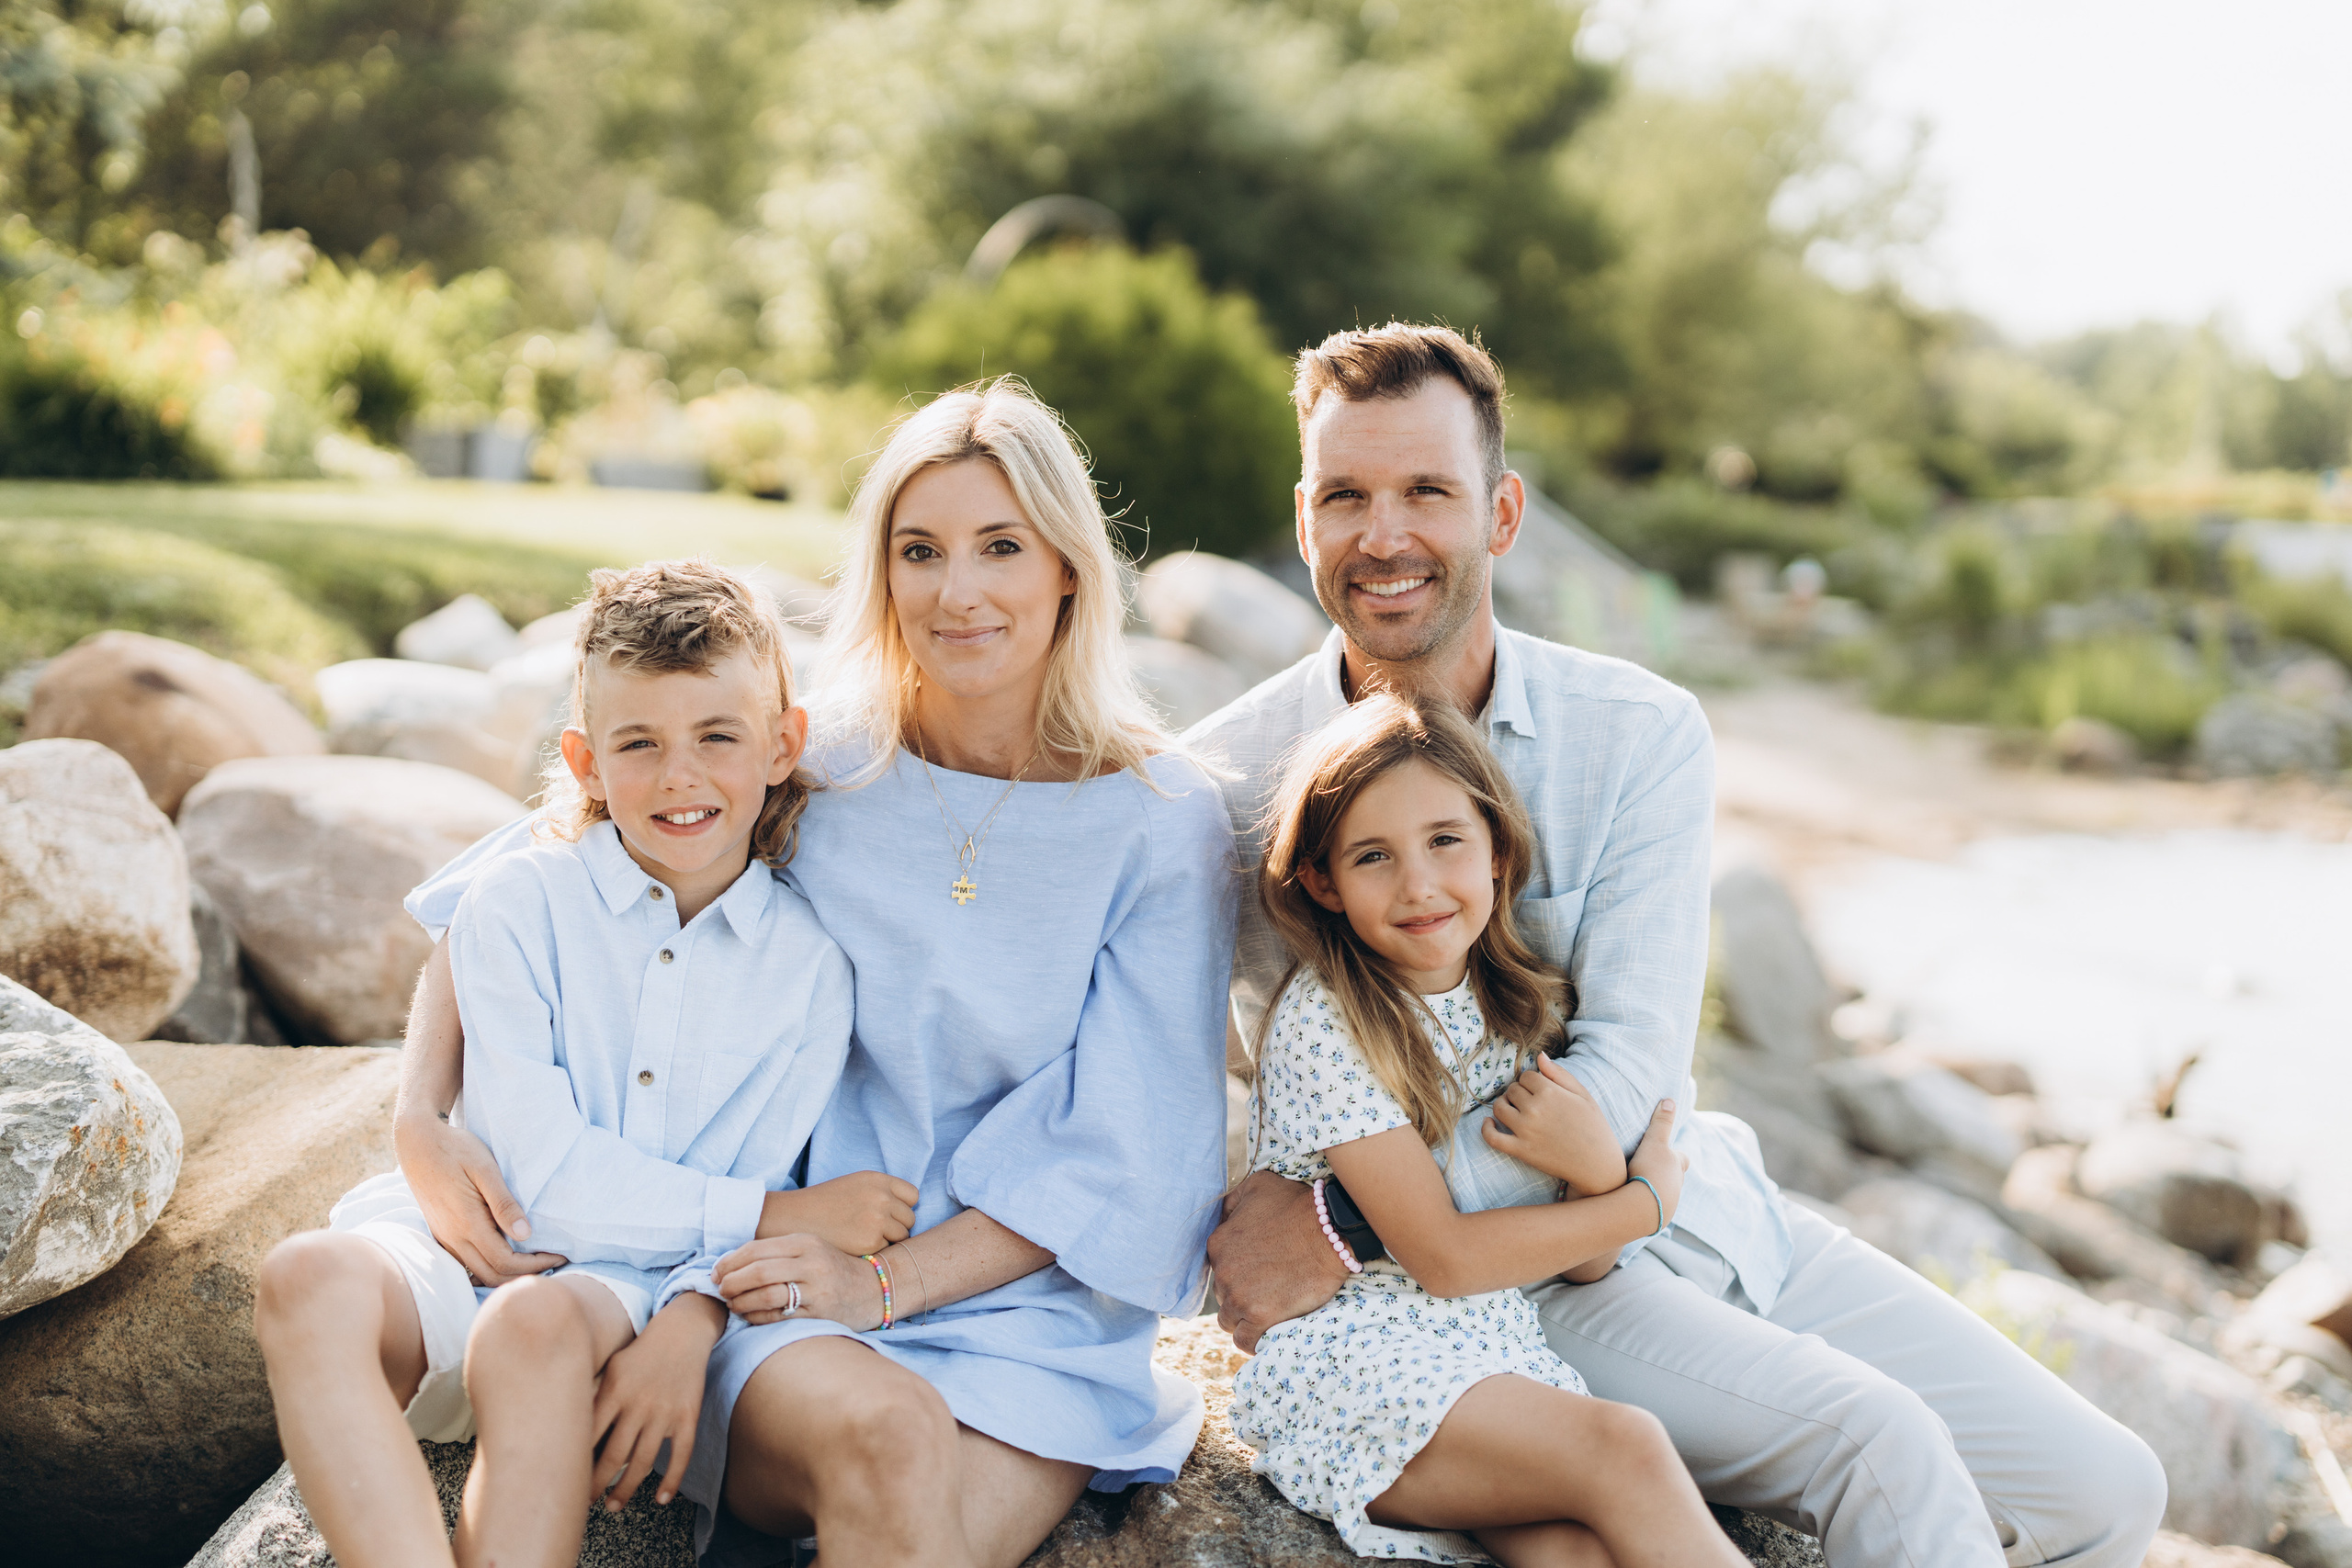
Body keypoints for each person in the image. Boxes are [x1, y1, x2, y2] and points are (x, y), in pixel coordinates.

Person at [1194, 323, 2168, 1568]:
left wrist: (1347, 1220)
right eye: (1347, 496)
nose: (1384, 534)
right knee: (1876, 1443)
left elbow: (1633, 1066)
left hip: (1702, 1208)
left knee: (2109, 1492)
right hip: (1506, 1302)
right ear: (1304, 517)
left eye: (1426, 491)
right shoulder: (1224, 782)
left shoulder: (1641, 732)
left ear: (1501, 512)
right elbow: (1205, 1076)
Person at [395, 380, 1235, 1568]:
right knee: (890, 1446)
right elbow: (507, 886)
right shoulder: (818, 754)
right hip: (778, 1276)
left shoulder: (1162, 820)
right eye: (919, 550)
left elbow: (1129, 1146)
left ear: (1068, 568)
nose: (959, 589)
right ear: (880, 574)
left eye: (1001, 545)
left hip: (1025, 1318)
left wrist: (883, 1286)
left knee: (920, 1516)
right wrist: (419, 1112)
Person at [253, 559, 901, 1568]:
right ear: (584, 759)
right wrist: (770, 1220)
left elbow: (764, 1163)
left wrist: (698, 1311)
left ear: (783, 745)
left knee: (533, 1327)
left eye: (717, 738)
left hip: (620, 1292)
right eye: (638, 743)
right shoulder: (516, 904)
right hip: (464, 1243)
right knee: (306, 1275)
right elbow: (537, 1178)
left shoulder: (811, 970)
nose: (679, 777)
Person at [1232, 691, 1745, 1568]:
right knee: (1629, 1448)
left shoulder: (1514, 1004)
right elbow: (1445, 1256)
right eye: (1372, 857)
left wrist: (1593, 1176)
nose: (1419, 884)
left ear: (1498, 851)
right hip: (1353, 1360)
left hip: (1488, 1351)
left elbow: (1577, 1262)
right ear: (1322, 882)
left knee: (1576, 1551)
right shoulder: (1328, 1021)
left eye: (1445, 841)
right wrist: (1641, 1202)